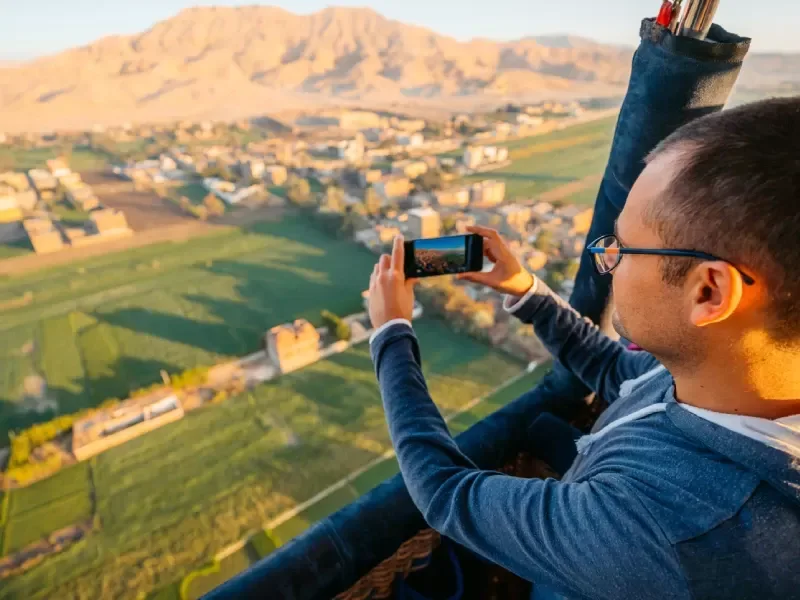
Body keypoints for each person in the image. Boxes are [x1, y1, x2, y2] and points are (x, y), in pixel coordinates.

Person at [366, 97, 800, 599]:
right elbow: (620, 372)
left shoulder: (666, 530)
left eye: (622, 247)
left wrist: (391, 332)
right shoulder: (731, 379)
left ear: (709, 292)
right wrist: (525, 289)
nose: (606, 262)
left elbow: (445, 493)